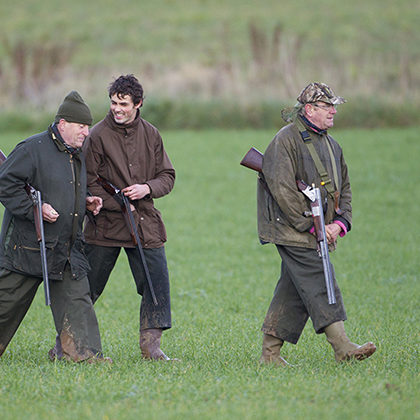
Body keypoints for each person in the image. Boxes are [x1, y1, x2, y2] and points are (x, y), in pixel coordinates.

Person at [258, 82, 376, 365]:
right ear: (309, 109)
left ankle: (270, 355)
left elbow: (343, 188)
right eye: (328, 106)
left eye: (334, 106)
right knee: (319, 278)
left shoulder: (332, 145)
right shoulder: (284, 141)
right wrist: (312, 225)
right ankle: (342, 347)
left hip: (319, 228)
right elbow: (283, 191)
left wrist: (339, 223)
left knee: (293, 288)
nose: (334, 111)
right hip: (290, 228)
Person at [0, 91, 110, 363]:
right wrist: (33, 208)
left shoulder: (77, 153)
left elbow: (64, 188)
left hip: (65, 248)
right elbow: (5, 184)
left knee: (77, 304)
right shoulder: (31, 149)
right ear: (63, 124)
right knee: (5, 307)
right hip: (28, 247)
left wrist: (85, 202)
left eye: (88, 126)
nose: (86, 132)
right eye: (81, 126)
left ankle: (84, 356)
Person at [82, 74, 176, 360]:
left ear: (139, 104)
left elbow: (167, 177)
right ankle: (67, 345)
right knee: (86, 290)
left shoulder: (152, 134)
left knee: (156, 284)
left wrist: (146, 188)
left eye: (123, 103)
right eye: (113, 102)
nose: (117, 109)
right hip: (105, 225)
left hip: (145, 224)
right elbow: (89, 181)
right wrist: (117, 202)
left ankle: (151, 347)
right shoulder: (97, 135)